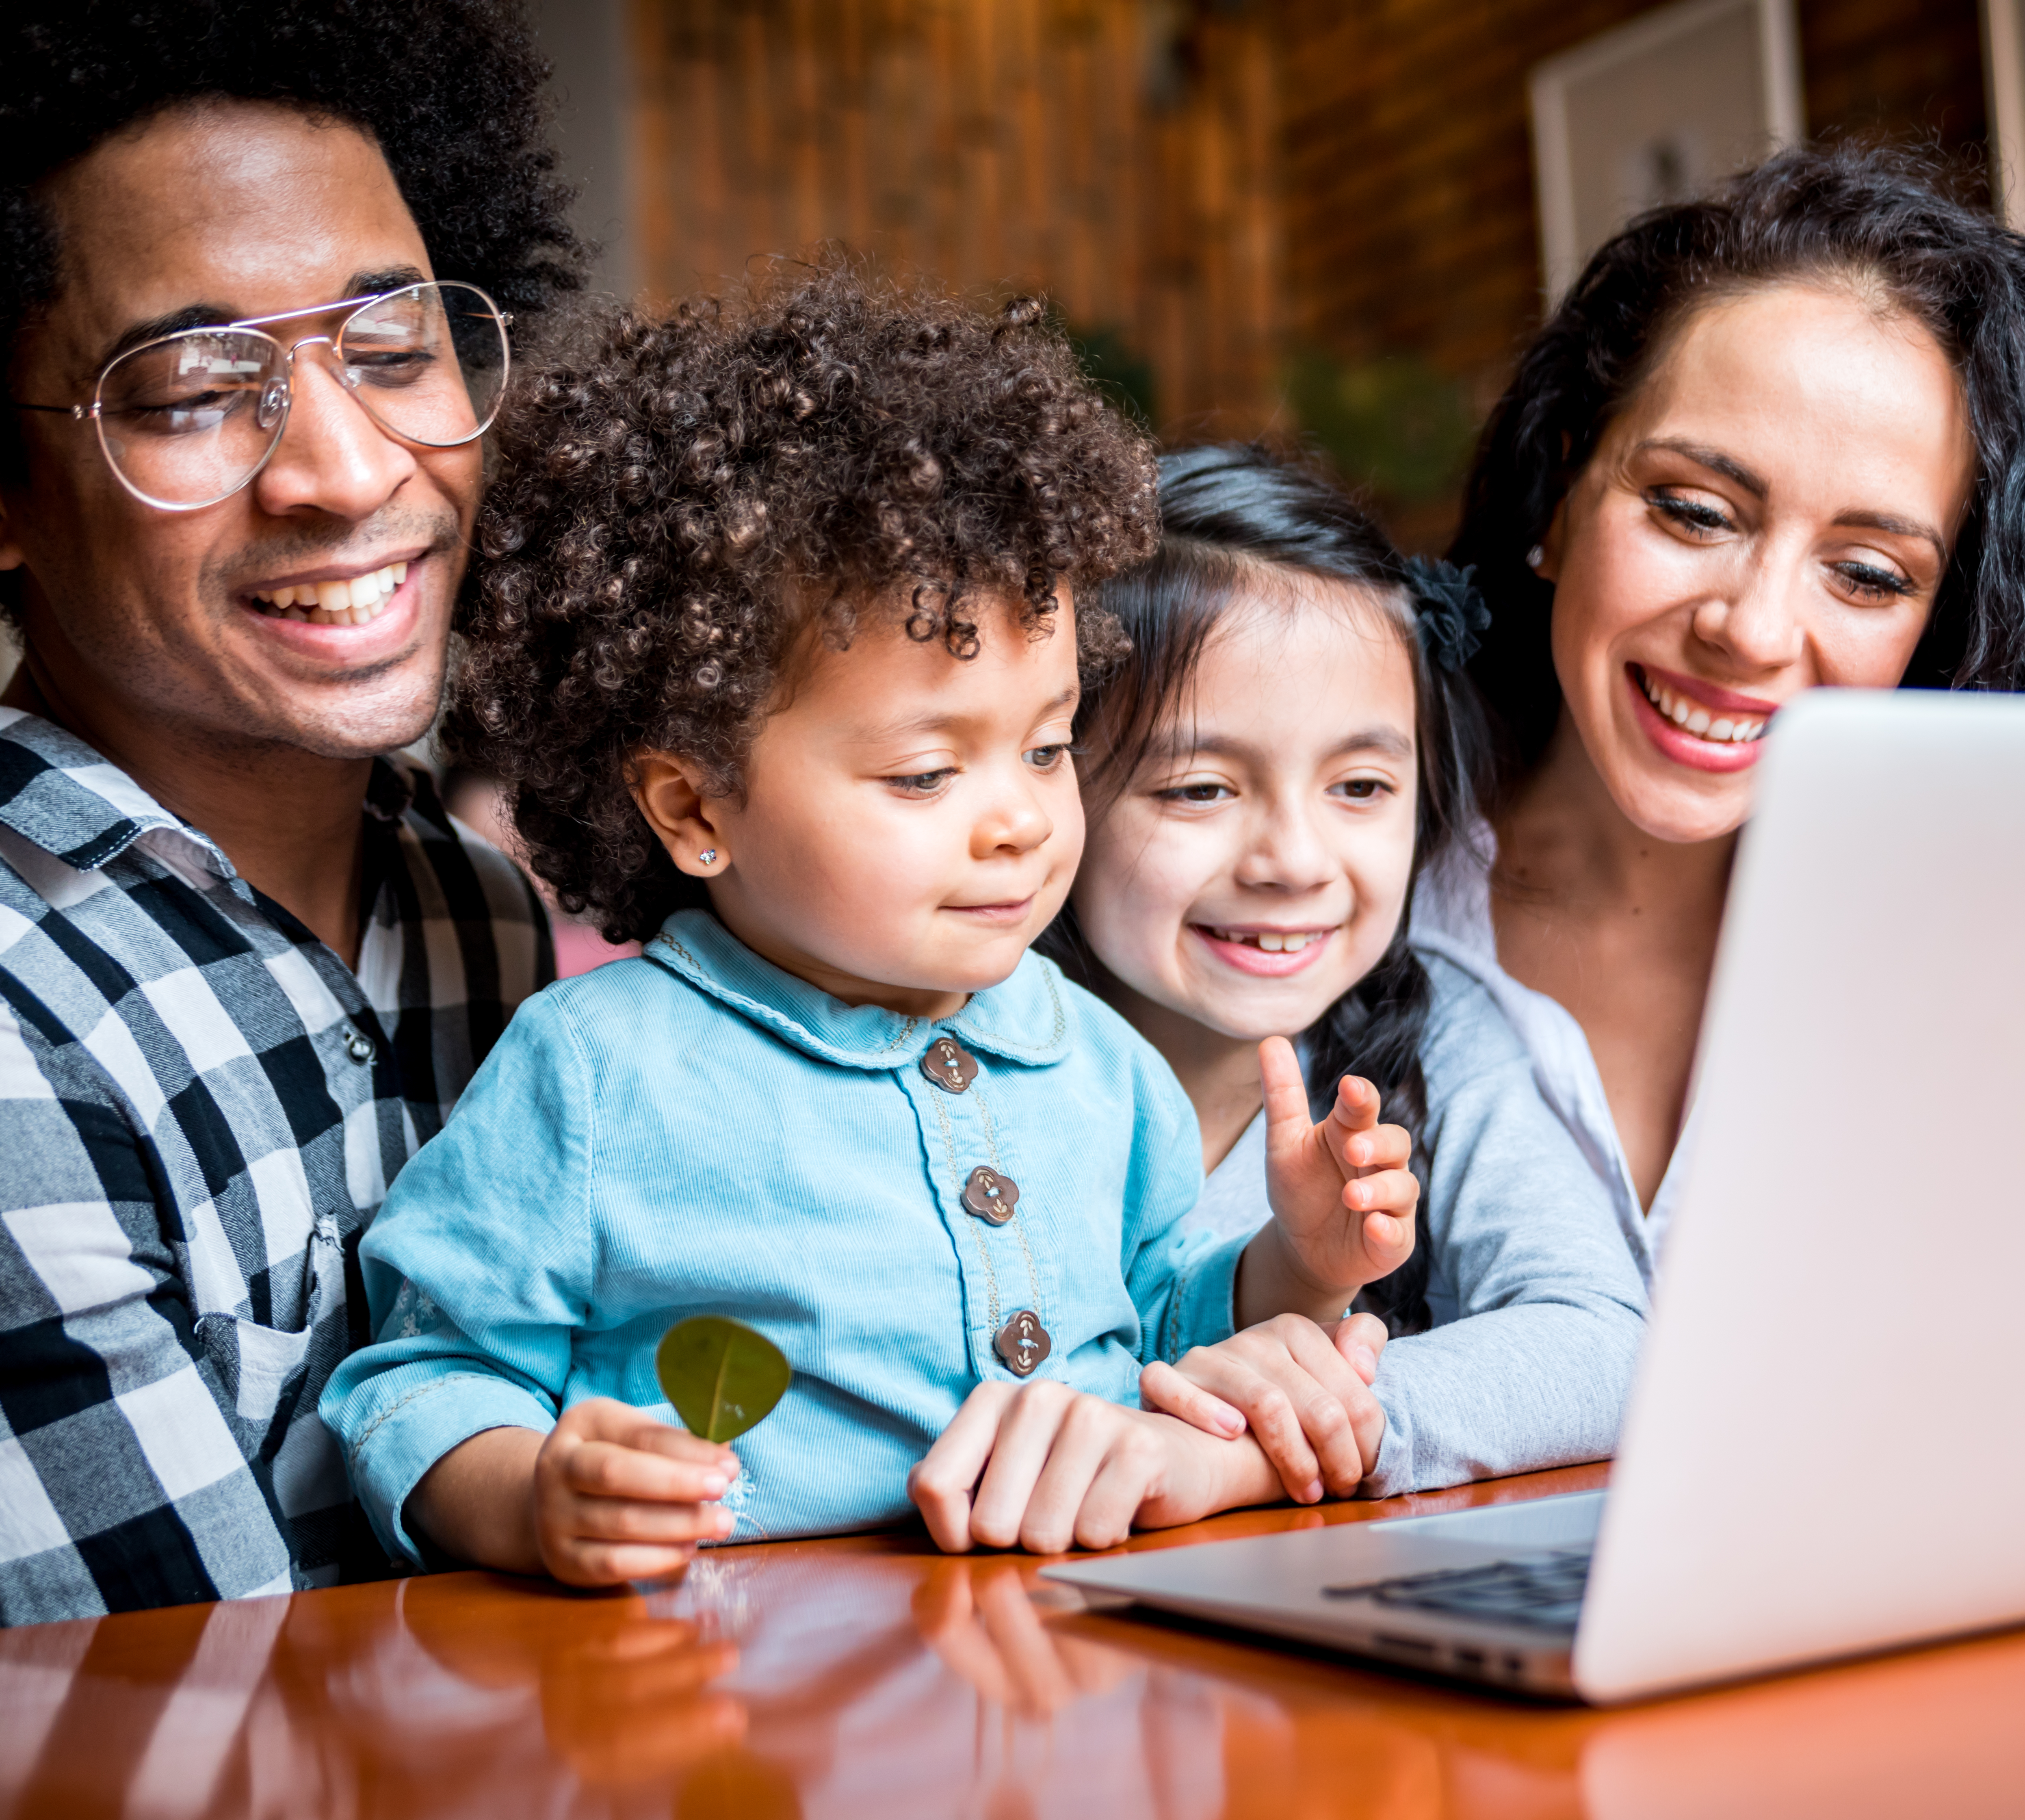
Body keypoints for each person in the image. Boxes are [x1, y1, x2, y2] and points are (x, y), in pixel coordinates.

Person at [322, 269, 1427, 1586]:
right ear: (693, 805)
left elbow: (1157, 1334)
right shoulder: (593, 1075)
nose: (1020, 820)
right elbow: (418, 1378)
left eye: (1047, 746)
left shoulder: (1096, 1062)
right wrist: (530, 1496)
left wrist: (1290, 1269)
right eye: (924, 774)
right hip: (743, 1713)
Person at [0, 0, 578, 1624]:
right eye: (196, 390)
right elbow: (211, 1732)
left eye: (393, 350)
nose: (344, 469)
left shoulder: (475, 906)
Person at [1436, 145, 2025, 1267]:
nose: (1751, 631)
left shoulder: (1975, 965)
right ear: (1563, 496)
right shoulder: (1312, 888)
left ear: (1941, 625)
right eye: (1694, 510)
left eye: (1868, 574)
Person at [1042, 444, 1645, 1502]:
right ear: (1049, 782)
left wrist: (1255, 1447)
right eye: (1198, 789)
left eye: (1360, 785)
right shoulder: (969, 1063)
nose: (1295, 861)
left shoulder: (1439, 1038)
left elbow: (1604, 1345)